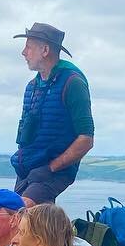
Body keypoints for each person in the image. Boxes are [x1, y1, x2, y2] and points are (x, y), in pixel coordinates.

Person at [11, 22, 94, 205]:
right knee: (7, 215)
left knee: (21, 212)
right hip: (29, 169)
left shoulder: (73, 83)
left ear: (45, 50)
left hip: (54, 170)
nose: (24, 53)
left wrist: (50, 168)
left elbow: (86, 139)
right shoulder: (32, 87)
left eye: (29, 47)